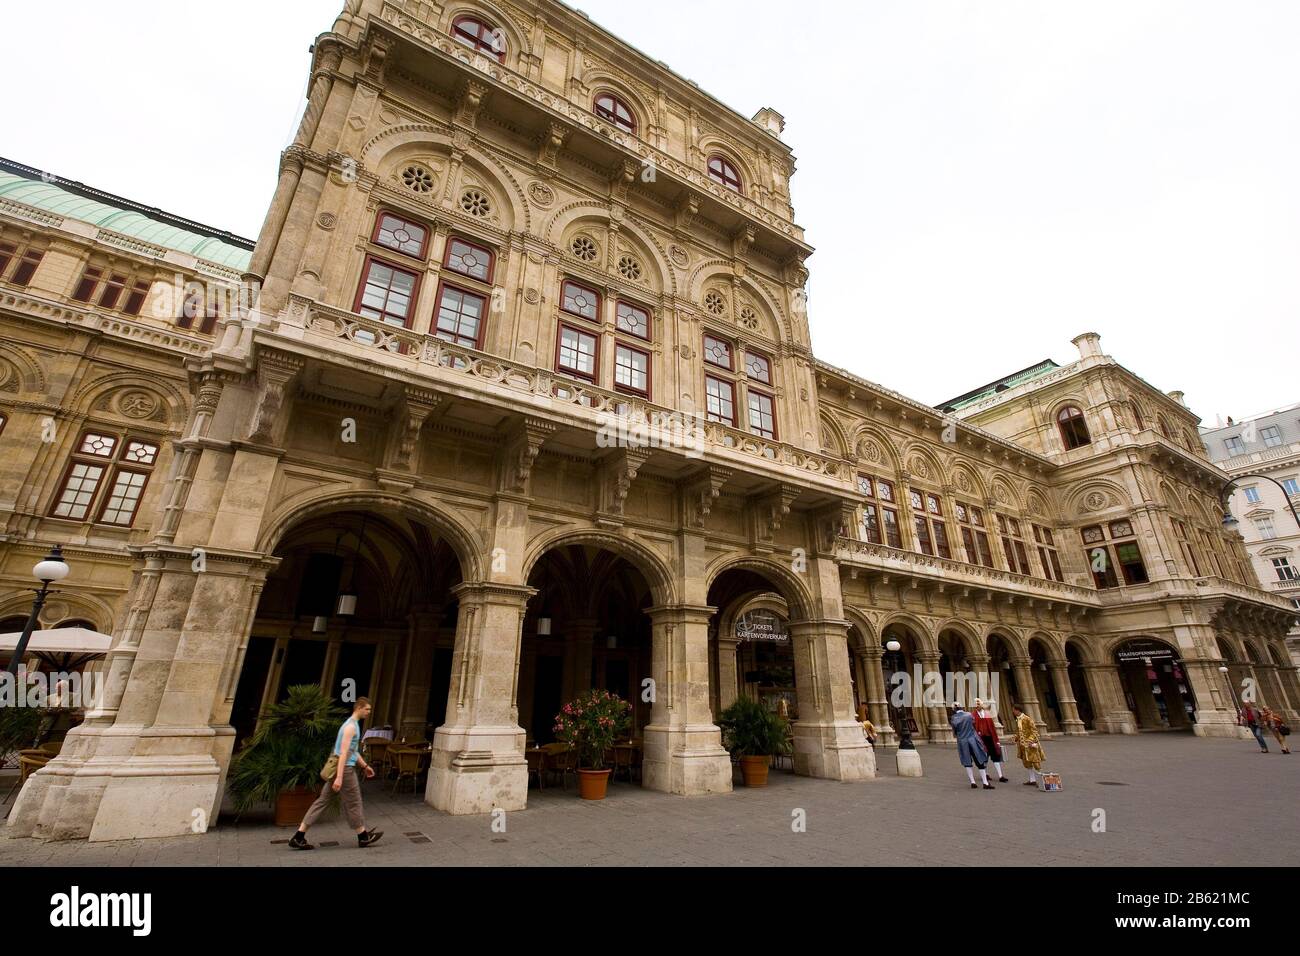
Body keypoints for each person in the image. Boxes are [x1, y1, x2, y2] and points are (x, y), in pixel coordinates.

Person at [289, 697, 383, 850]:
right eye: (367, 709)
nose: (369, 712)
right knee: (354, 802)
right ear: (358, 708)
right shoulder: (350, 727)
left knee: (322, 801)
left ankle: (299, 836)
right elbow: (343, 753)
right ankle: (363, 836)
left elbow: (352, 750)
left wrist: (365, 765)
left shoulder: (352, 725)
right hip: (344, 769)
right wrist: (339, 777)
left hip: (341, 768)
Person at [949, 704, 994, 789]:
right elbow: (973, 724)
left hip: (962, 742)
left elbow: (954, 732)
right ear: (962, 707)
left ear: (953, 709)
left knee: (967, 761)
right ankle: (985, 783)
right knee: (979, 759)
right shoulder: (969, 715)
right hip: (972, 740)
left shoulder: (953, 718)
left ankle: (973, 782)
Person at [971, 698, 1008, 783]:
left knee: (995, 757)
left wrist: (997, 740)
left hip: (990, 738)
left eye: (979, 704)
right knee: (984, 757)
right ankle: (986, 774)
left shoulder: (987, 714)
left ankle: (1000, 775)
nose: (978, 706)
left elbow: (992, 728)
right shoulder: (973, 715)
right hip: (981, 739)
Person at [1012, 704, 1045, 785]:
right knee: (1027, 762)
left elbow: (1034, 731)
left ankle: (1043, 780)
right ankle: (1032, 780)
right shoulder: (1018, 720)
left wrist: (1030, 740)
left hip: (1030, 744)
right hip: (1022, 745)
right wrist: (1015, 738)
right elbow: (1019, 731)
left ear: (1017, 710)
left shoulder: (1027, 719)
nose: (1013, 712)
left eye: (1014, 710)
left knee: (1035, 761)